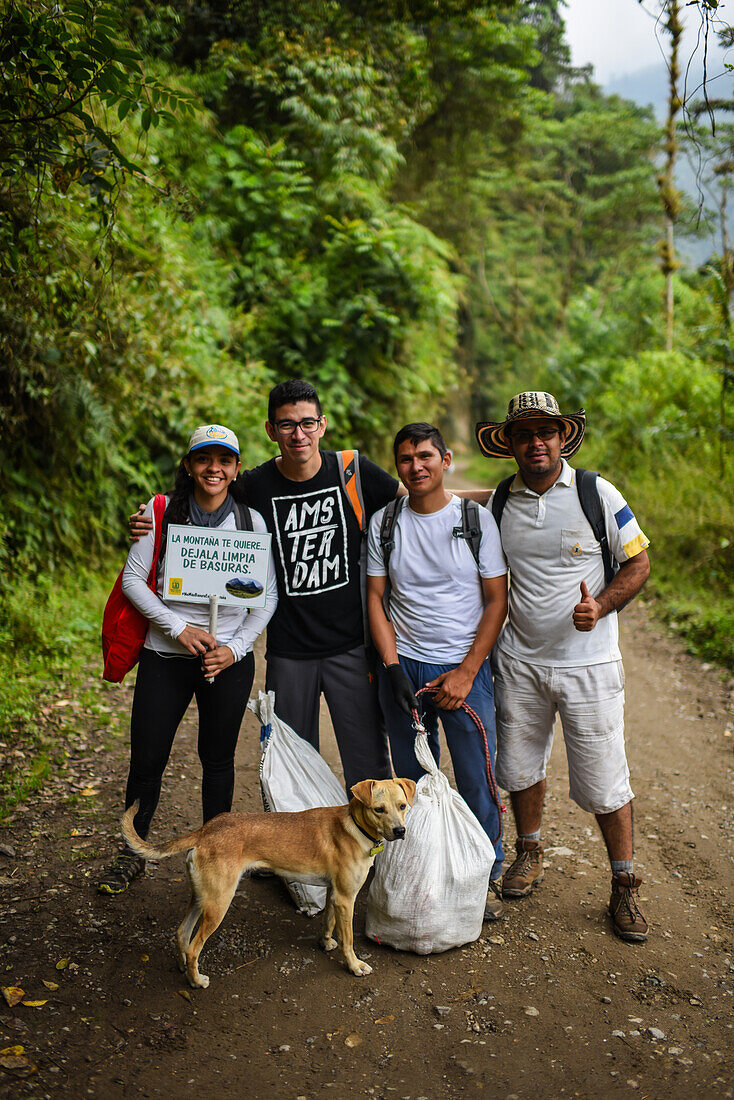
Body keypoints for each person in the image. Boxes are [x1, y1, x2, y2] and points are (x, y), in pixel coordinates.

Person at [130, 380, 399, 790]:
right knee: (289, 766)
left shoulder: (352, 471)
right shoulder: (255, 486)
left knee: (369, 767)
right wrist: (149, 516)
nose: (299, 434)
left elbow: (422, 499)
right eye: (287, 425)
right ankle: (297, 854)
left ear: (322, 425)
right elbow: (206, 490)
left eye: (308, 423)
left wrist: (488, 503)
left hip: (351, 646)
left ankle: (372, 854)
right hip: (289, 650)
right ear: (271, 431)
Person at [475, 391, 651, 942]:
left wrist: (599, 605)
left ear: (561, 437)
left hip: (589, 666)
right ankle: (529, 853)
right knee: (519, 768)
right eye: (524, 434)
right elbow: (449, 506)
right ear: (510, 444)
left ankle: (623, 887)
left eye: (545, 432)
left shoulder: (598, 493)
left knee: (604, 781)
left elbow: (639, 561)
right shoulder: (501, 502)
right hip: (520, 662)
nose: (536, 443)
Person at [98, 424, 278, 895]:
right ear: (189, 465)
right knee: (148, 758)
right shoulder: (160, 514)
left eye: (224, 461)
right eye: (204, 459)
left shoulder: (251, 523)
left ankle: (216, 858)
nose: (213, 469)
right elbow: (135, 581)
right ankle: (131, 852)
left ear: (236, 468)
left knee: (217, 760)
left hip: (227, 660)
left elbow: (267, 597)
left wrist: (233, 648)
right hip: (166, 656)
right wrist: (179, 627)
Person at [366, 423, 508, 921]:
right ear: (397, 466)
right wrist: (391, 668)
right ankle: (418, 871)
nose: (416, 466)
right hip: (403, 666)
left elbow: (496, 601)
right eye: (405, 459)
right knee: (411, 784)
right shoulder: (385, 522)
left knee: (476, 779)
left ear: (446, 460)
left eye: (425, 456)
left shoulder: (474, 520)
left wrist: (468, 671)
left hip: (463, 667)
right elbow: (376, 598)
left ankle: (483, 874)